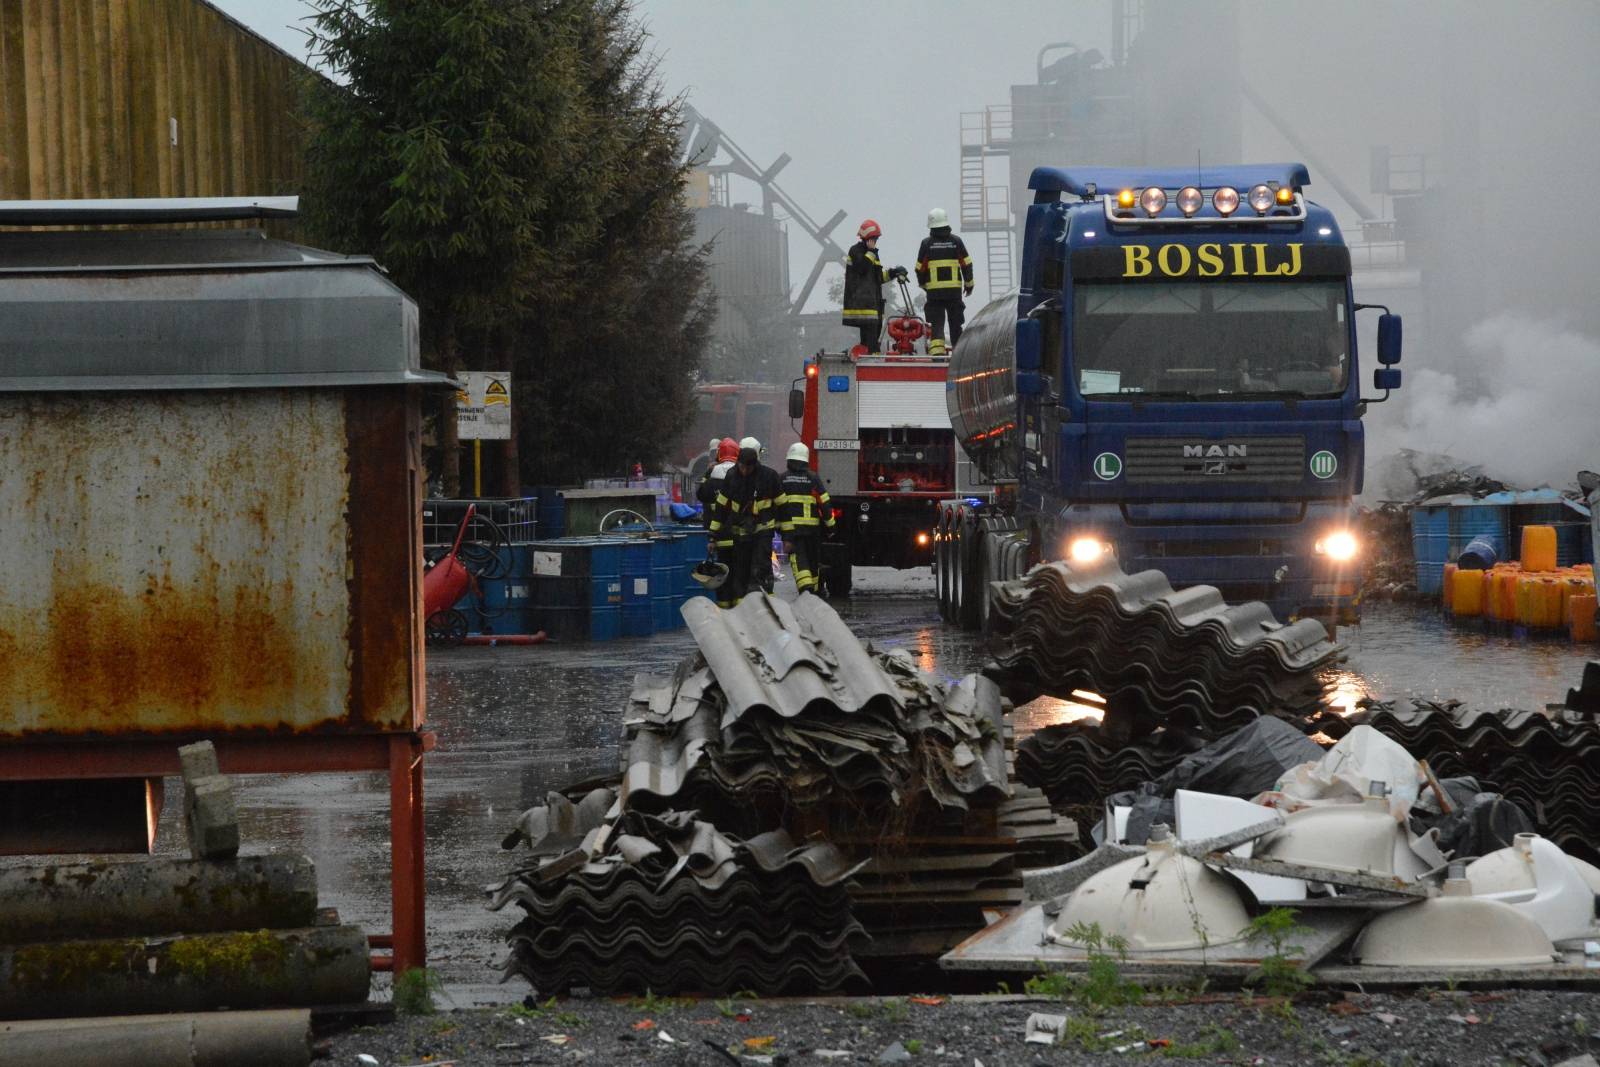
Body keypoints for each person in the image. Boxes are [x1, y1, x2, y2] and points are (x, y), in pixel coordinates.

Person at [707, 436, 778, 608]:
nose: (744, 470)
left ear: (755, 464)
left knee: (760, 570)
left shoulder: (768, 476)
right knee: (740, 574)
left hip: (762, 533)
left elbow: (782, 505)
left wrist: (788, 536)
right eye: (741, 466)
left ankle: (767, 609)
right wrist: (712, 537)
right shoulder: (732, 476)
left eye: (747, 467)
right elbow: (721, 508)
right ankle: (742, 611)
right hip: (741, 535)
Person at [777, 442, 835, 595]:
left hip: (792, 531)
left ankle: (806, 589)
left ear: (789, 460)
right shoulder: (813, 478)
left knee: (799, 559)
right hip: (813, 531)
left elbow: (776, 505)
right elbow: (825, 503)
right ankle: (814, 592)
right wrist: (831, 527)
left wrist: (778, 528)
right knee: (813, 560)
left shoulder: (782, 479)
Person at [841, 219, 907, 354]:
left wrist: (894, 272)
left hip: (873, 304)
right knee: (871, 342)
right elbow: (862, 269)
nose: (875, 241)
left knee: (872, 339)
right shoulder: (856, 251)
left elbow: (877, 278)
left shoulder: (872, 254)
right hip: (862, 304)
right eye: (874, 238)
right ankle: (872, 360)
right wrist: (871, 252)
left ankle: (869, 357)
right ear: (867, 238)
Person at [915, 207, 974, 355]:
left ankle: (938, 356)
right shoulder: (956, 242)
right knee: (955, 325)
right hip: (954, 293)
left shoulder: (926, 244)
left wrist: (923, 284)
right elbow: (966, 264)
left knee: (937, 326)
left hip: (934, 295)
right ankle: (958, 356)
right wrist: (969, 284)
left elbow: (920, 268)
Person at [696, 437, 740, 529]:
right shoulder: (742, 474)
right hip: (736, 528)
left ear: (719, 454)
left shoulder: (712, 472)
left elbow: (701, 494)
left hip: (713, 526)